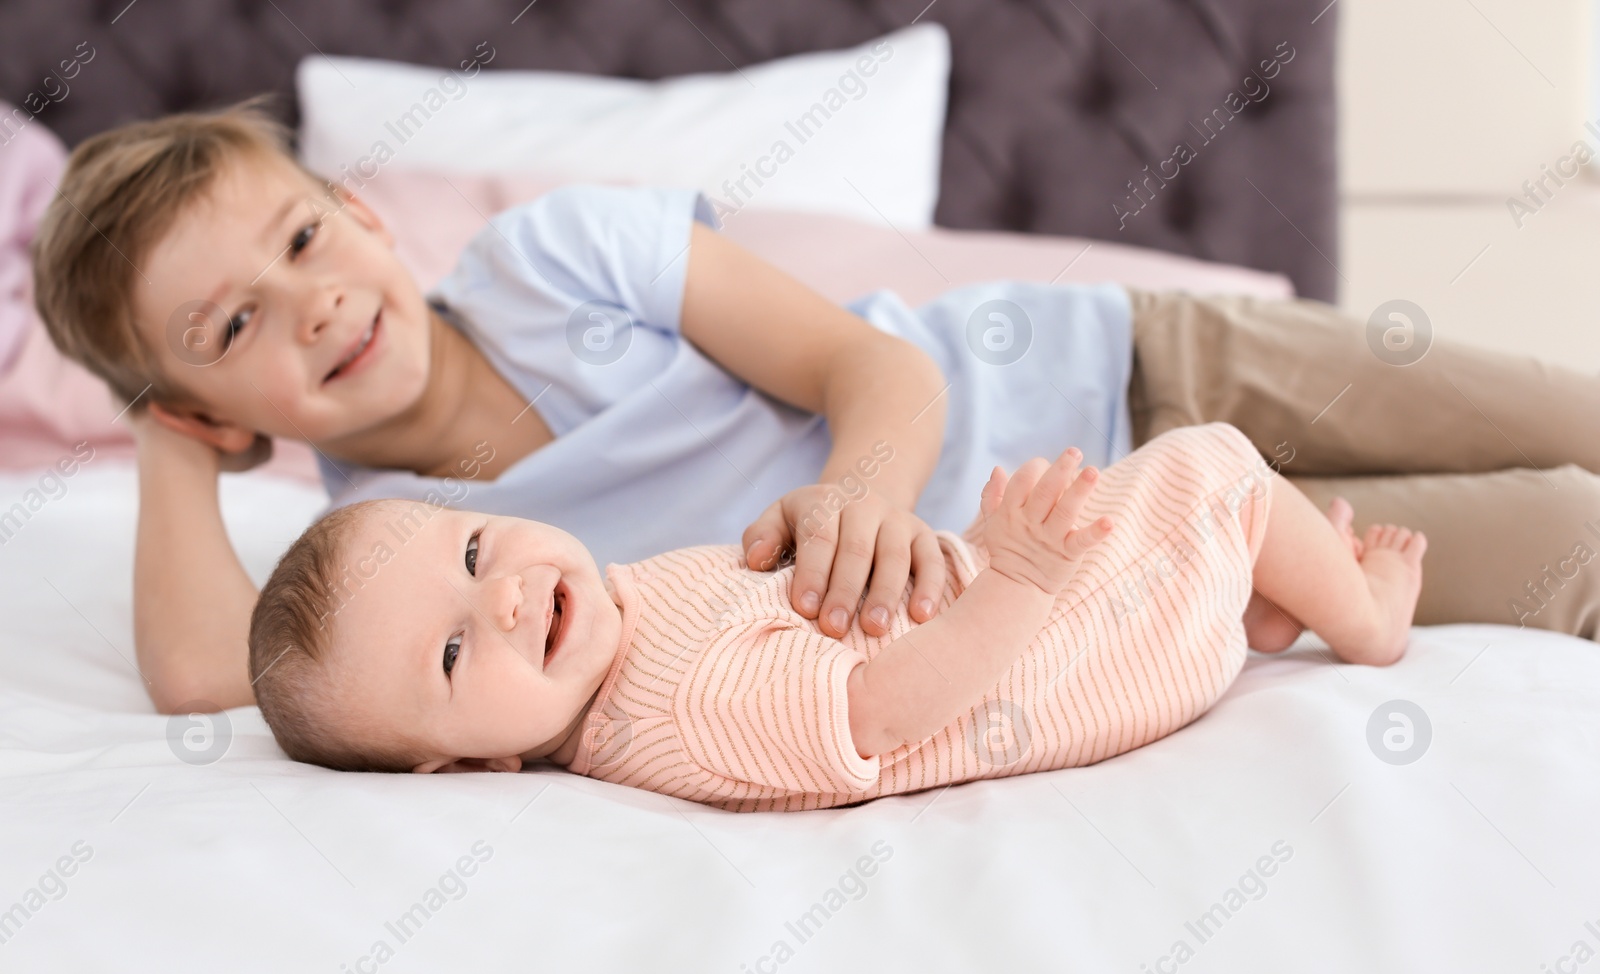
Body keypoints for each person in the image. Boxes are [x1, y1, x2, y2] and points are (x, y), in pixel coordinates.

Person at [30, 104, 1600, 719]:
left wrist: (864, 489)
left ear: (363, 217)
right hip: (1133, 546)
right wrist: (171, 445)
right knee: (1571, 539)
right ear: (205, 403)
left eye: (303, 237)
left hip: (1131, 362)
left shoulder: (550, 256)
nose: (308, 302)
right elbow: (196, 675)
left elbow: (882, 372)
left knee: (1565, 410)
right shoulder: (392, 556)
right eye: (231, 324)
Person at [245, 423, 1427, 811]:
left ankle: (1256, 609)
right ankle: (1365, 618)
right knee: (1208, 464)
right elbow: (878, 707)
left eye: (471, 547)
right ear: (467, 759)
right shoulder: (677, 697)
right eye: (453, 649)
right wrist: (1015, 577)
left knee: (1194, 511)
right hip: (1071, 650)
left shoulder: (612, 621)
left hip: (1005, 609)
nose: (499, 594)